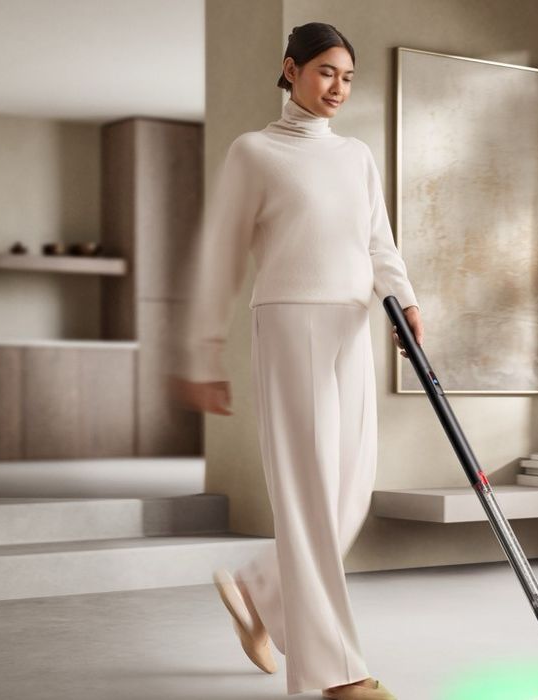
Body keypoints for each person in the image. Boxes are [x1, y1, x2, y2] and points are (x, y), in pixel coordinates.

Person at [171, 21, 422, 700]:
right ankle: (336, 675)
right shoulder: (253, 153)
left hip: (352, 330)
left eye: (347, 76)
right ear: (290, 69)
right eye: (324, 73)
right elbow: (219, 255)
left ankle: (259, 590)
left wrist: (405, 302)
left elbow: (380, 244)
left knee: (346, 498)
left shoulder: (357, 156)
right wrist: (203, 351)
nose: (337, 87)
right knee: (309, 502)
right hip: (289, 326)